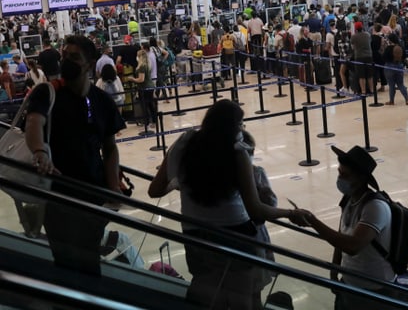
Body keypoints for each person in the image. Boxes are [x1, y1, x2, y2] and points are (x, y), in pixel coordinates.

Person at [147, 99, 307, 308]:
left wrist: (180, 182)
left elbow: (154, 190)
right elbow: (256, 211)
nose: (242, 129)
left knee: (207, 295)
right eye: (241, 124)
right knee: (241, 298)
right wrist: (288, 213)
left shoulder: (184, 143)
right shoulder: (237, 153)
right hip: (236, 235)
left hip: (195, 234)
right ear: (232, 126)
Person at [25, 35, 126, 275]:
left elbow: (110, 147)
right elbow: (33, 123)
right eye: (64, 56)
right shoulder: (47, 93)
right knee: (67, 259)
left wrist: (113, 186)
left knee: (88, 255)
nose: (66, 61)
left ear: (90, 65)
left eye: (74, 57)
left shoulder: (102, 101)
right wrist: (40, 151)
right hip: (57, 193)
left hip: (93, 192)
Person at [298, 145, 395, 310]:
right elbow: (340, 236)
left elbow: (352, 245)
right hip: (349, 281)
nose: (340, 179)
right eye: (339, 173)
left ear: (361, 178)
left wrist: (312, 221)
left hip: (375, 288)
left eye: (345, 175)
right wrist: (334, 270)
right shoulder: (349, 199)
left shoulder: (375, 207)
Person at [126, 49, 156, 127]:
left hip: (144, 88)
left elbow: (141, 79)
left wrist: (132, 79)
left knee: (145, 106)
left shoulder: (142, 66)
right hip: (150, 86)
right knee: (150, 105)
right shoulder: (147, 64)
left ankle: (147, 123)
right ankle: (153, 121)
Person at [382, 33, 408, 106]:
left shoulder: (388, 48)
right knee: (401, 84)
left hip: (389, 66)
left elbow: (384, 57)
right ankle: (407, 99)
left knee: (391, 85)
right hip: (399, 66)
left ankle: (391, 101)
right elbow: (404, 56)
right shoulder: (400, 47)